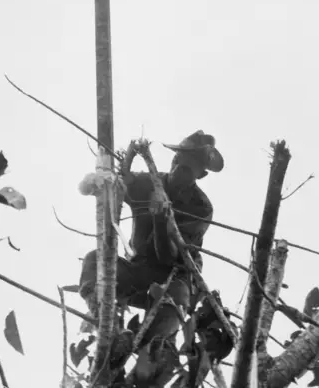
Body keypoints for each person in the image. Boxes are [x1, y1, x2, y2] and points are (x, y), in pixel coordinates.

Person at [78, 130, 224, 379]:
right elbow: (114, 186)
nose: (179, 169)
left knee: (165, 326)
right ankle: (110, 331)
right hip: (139, 270)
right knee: (96, 260)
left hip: (174, 278)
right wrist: (98, 183)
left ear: (201, 174)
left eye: (189, 168)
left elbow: (169, 257)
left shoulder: (201, 207)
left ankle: (141, 377)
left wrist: (161, 219)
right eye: (178, 161)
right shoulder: (148, 182)